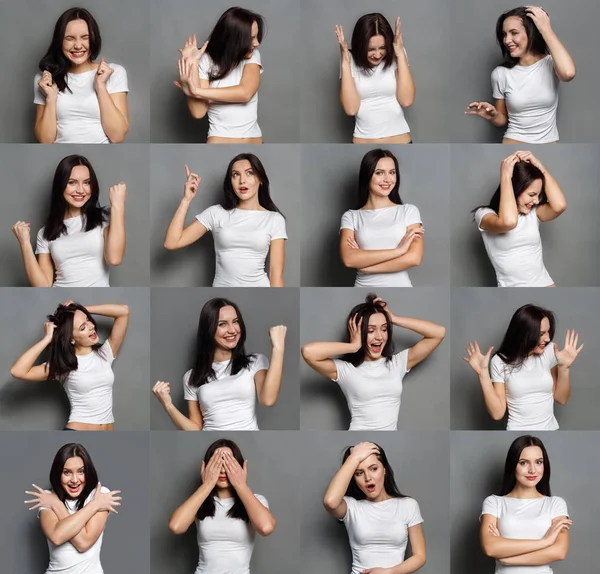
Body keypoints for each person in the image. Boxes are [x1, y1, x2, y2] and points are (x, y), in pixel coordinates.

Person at [301, 294, 445, 430]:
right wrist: (353, 346)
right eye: (370, 330)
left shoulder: (397, 363)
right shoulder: (345, 370)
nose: (379, 337)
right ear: (359, 333)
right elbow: (308, 352)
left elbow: (438, 333)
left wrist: (393, 318)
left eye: (384, 329)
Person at [152, 297, 286, 430]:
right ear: (209, 329)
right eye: (222, 324)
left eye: (235, 322)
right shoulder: (192, 377)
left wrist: (278, 349)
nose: (232, 330)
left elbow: (268, 399)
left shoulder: (255, 362)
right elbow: (195, 428)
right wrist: (168, 405)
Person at [164, 153, 286, 287]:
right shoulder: (216, 213)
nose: (242, 181)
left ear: (260, 179)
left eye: (249, 173)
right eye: (235, 175)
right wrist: (186, 199)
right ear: (231, 182)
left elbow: (276, 274)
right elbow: (172, 242)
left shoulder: (274, 219)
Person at [10, 301, 130, 430]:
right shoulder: (63, 366)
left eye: (88, 320)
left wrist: (80, 310)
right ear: (71, 339)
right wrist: (47, 339)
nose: (91, 326)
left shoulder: (105, 353)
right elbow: (18, 371)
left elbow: (123, 311)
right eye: (82, 327)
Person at [12, 154, 126, 287]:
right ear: (60, 185)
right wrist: (24, 243)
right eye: (72, 182)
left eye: (87, 182)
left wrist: (118, 205)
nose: (80, 190)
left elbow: (114, 259)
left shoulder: (103, 219)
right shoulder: (45, 233)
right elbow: (42, 286)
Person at [463, 304, 584, 430]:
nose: (547, 338)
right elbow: (497, 413)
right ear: (525, 334)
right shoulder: (499, 361)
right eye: (542, 333)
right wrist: (483, 374)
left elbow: (561, 398)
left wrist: (564, 367)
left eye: (548, 332)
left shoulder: (549, 351)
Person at [465, 6, 576, 144]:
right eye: (505, 34)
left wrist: (545, 29)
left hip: (549, 143)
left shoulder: (551, 63)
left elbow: (568, 73)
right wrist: (493, 116)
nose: (506, 40)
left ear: (532, 33)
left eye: (514, 33)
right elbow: (502, 119)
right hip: (512, 141)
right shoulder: (500, 74)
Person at [168, 439, 276, 574]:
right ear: (206, 467)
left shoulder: (256, 500)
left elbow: (266, 528)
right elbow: (175, 526)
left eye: (229, 463)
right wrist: (206, 485)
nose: (223, 470)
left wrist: (241, 485)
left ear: (241, 467)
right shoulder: (199, 502)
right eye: (217, 463)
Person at [324, 441, 426, 574]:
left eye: (373, 469)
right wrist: (354, 458)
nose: (368, 478)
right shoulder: (351, 507)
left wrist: (388, 572)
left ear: (384, 470)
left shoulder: (408, 505)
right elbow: (330, 501)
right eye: (359, 473)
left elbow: (420, 556)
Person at [34, 7, 129, 143]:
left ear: (94, 39)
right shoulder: (44, 79)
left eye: (85, 38)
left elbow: (117, 136)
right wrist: (50, 98)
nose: (78, 46)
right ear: (60, 41)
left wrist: (100, 86)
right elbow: (46, 141)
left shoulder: (114, 72)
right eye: (70, 38)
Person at [24, 443, 122, 574]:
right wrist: (94, 506)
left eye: (81, 471)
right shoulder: (48, 498)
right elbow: (56, 537)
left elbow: (84, 543)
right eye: (67, 472)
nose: (75, 480)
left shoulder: (99, 494)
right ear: (58, 473)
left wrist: (57, 506)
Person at [473, 151, 566, 287]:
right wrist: (506, 176)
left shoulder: (533, 214)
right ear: (516, 189)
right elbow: (509, 222)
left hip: (547, 285)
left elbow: (559, 206)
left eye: (538, 195)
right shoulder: (484, 214)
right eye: (532, 194)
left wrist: (540, 167)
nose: (535, 201)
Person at [480, 435, 571, 573]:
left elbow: (559, 552)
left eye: (539, 462)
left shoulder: (556, 504)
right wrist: (545, 542)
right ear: (513, 465)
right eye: (523, 463)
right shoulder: (494, 503)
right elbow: (490, 547)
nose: (532, 470)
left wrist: (507, 558)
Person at [174, 7, 265, 143]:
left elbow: (245, 93)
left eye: (256, 37)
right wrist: (193, 64)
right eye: (251, 38)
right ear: (234, 38)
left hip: (255, 141)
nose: (257, 43)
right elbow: (198, 112)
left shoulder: (252, 56)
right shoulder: (205, 60)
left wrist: (196, 91)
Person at [339, 148, 424, 287]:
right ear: (367, 175)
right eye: (379, 173)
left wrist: (367, 266)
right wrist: (399, 251)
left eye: (392, 172)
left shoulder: (409, 211)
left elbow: (414, 258)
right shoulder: (351, 216)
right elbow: (349, 259)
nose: (388, 179)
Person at [335, 13, 415, 143]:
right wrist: (345, 63)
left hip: (401, 140)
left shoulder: (398, 54)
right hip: (363, 141)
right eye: (370, 49)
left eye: (383, 48)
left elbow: (406, 100)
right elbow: (351, 109)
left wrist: (400, 53)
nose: (377, 55)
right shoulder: (349, 59)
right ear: (360, 45)